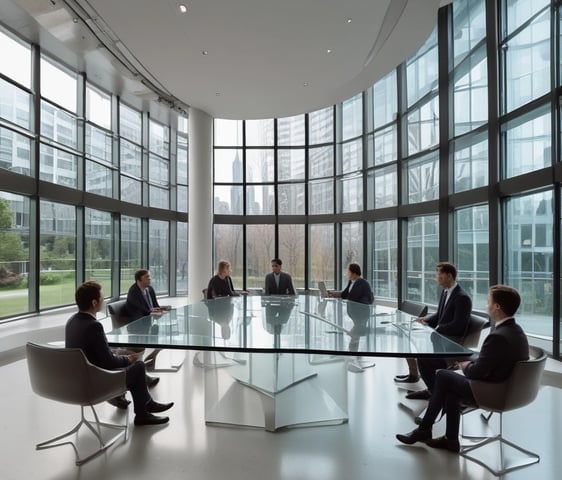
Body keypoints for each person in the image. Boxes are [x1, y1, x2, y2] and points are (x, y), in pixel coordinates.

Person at [396, 285, 529, 453]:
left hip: (491, 392)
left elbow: (476, 372)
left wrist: (465, 365)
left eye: (489, 301)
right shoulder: (515, 331)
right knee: (451, 392)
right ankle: (450, 439)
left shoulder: (498, 336)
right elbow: (492, 360)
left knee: (443, 375)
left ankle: (424, 429)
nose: (487, 304)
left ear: (497, 307)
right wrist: (468, 358)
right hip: (508, 389)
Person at [65, 281, 174, 426]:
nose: (104, 301)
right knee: (138, 366)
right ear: (94, 302)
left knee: (134, 364)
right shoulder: (94, 326)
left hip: (80, 379)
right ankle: (142, 413)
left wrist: (115, 352)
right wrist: (127, 359)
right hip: (97, 380)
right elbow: (108, 362)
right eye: (102, 298)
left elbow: (89, 352)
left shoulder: (72, 321)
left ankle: (147, 404)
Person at [398, 262, 472, 400]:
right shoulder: (445, 292)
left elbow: (458, 325)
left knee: (423, 358)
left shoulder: (462, 297)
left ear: (449, 276)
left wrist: (436, 329)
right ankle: (433, 390)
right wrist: (424, 319)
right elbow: (439, 314)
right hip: (441, 337)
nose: (436, 277)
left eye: (439, 274)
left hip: (450, 342)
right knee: (418, 351)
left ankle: (433, 392)